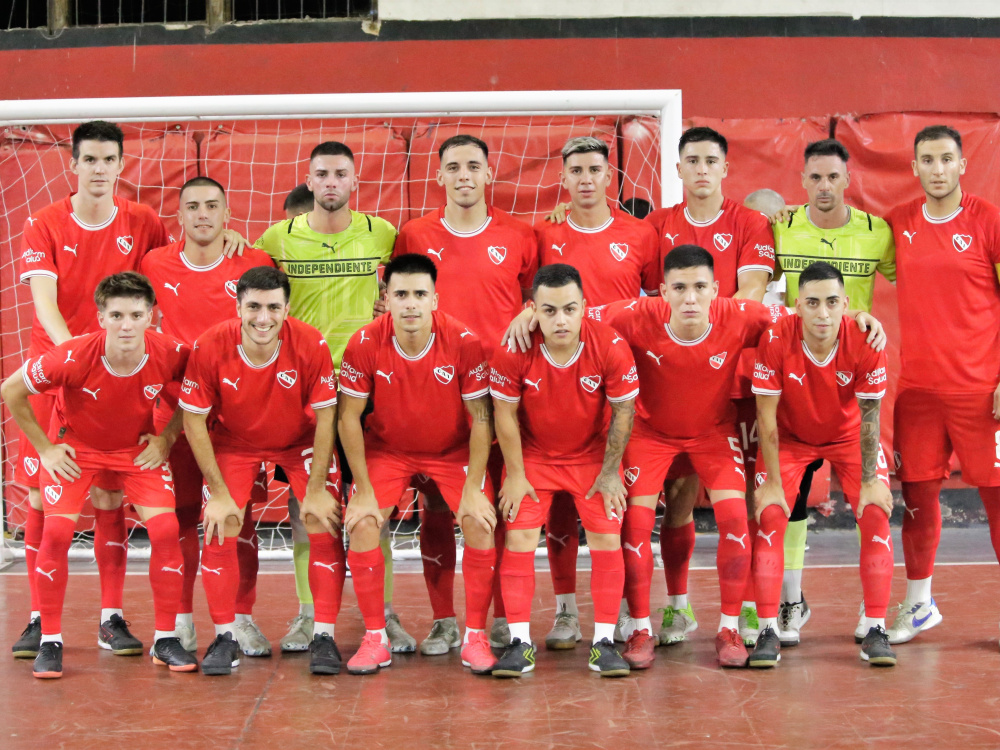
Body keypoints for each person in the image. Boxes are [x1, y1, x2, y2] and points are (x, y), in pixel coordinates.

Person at [588, 245, 884, 670]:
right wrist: (528, 312)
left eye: (700, 287)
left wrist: (858, 318)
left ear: (715, 290)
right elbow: (576, 312)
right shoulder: (635, 313)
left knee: (733, 517)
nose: (690, 298)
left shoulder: (743, 313)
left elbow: (811, 316)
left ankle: (728, 627)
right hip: (651, 435)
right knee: (635, 524)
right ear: (661, 291)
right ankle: (638, 628)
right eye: (679, 288)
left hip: (713, 432)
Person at [12, 120, 171, 660]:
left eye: (109, 160)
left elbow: (166, 276)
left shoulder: (144, 221)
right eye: (90, 160)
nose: (100, 169)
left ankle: (110, 616)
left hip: (118, 373)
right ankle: (38, 618)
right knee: (41, 492)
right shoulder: (45, 223)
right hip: (58, 366)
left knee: (108, 493)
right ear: (73, 165)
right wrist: (75, 359)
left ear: (121, 165)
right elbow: (45, 305)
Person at [253, 143, 411, 653]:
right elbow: (247, 281)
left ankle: (382, 616)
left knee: (374, 507)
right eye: (321, 174)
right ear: (309, 178)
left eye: (340, 173)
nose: (330, 183)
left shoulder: (382, 233)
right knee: (307, 508)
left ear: (353, 180)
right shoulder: (278, 237)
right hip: (304, 392)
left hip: (369, 390)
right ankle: (307, 616)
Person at [1, 272, 196, 678]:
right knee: (55, 534)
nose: (127, 324)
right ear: (101, 317)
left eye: (136, 314)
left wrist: (166, 437)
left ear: (150, 316)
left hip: (134, 451)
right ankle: (51, 640)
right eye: (117, 315)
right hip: (77, 451)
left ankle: (165, 639)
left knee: (164, 531)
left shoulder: (171, 352)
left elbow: (195, 392)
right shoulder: (71, 355)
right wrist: (46, 448)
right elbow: (11, 391)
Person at [507, 135, 658, 649]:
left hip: (618, 388)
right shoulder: (544, 232)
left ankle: (634, 621)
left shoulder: (641, 234)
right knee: (556, 518)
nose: (587, 178)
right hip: (551, 383)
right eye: (577, 170)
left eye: (596, 169)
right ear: (564, 178)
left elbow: (658, 302)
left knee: (620, 512)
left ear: (610, 176)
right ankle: (567, 613)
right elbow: (533, 295)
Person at [393, 134, 537, 654]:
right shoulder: (414, 233)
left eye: (473, 166)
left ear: (489, 173)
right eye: (452, 167)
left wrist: (530, 309)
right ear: (438, 176)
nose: (463, 176)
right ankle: (443, 619)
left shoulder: (521, 234)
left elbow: (538, 300)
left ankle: (497, 617)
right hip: (434, 391)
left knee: (496, 506)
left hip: (503, 394)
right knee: (435, 509)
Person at [642, 126, 777, 649]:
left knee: (738, 497)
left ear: (725, 169)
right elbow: (639, 293)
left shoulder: (749, 223)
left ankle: (741, 608)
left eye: (710, 161)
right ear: (677, 169)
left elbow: (749, 296)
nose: (701, 169)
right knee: (676, 495)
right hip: (672, 379)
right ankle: (678, 607)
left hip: (735, 380)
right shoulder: (656, 226)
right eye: (691, 160)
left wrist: (701, 336)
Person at [179, 266, 343, 676]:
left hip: (300, 440)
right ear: (237, 307)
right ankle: (225, 634)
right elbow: (193, 420)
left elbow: (327, 417)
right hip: (235, 441)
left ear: (287, 309)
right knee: (223, 523)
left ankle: (323, 634)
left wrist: (319, 487)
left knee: (322, 520)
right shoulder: (210, 344)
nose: (262, 318)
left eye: (272, 307)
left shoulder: (310, 343)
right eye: (253, 306)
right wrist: (217, 493)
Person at [339, 254, 498, 675]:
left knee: (479, 520)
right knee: (364, 520)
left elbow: (482, 418)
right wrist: (363, 489)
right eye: (401, 294)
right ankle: (375, 638)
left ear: (435, 299)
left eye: (419, 295)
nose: (410, 304)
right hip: (388, 449)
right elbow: (347, 417)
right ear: (386, 298)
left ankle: (475, 636)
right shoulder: (364, 342)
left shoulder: (464, 342)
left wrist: (473, 487)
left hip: (452, 450)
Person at [140, 177, 276, 655]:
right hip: (173, 412)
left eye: (211, 206)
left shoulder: (254, 262)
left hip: (236, 416)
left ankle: (241, 619)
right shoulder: (154, 263)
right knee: (176, 518)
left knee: (239, 519)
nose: (202, 214)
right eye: (192, 206)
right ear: (179, 216)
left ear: (227, 213)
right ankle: (180, 622)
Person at [769, 139, 896, 646]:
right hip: (797, 383)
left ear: (848, 180)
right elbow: (755, 279)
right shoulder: (782, 226)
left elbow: (925, 275)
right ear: (802, 180)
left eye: (833, 178)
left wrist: (868, 319)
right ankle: (791, 600)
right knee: (792, 502)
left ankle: (877, 609)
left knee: (870, 497)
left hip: (853, 385)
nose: (824, 187)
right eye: (815, 178)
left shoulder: (876, 232)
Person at [489, 263, 637, 677]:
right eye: (549, 311)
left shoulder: (609, 344)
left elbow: (624, 411)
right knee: (518, 535)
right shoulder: (514, 347)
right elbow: (503, 413)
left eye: (570, 309)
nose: (561, 320)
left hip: (592, 457)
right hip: (534, 457)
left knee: (607, 538)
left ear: (585, 307)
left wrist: (610, 472)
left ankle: (604, 642)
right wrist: (516, 475)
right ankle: (520, 642)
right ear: (533, 309)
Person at [884, 125, 1000, 645]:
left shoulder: (988, 221)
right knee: (917, 500)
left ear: (961, 165)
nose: (936, 169)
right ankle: (919, 604)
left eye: (945, 159)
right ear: (914, 167)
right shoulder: (899, 223)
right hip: (919, 393)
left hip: (982, 391)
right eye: (926, 160)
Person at [749, 261, 896, 668]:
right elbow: (766, 417)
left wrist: (870, 480)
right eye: (812, 303)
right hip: (791, 436)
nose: (823, 313)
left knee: (874, 512)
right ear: (797, 305)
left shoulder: (866, 341)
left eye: (832, 302)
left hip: (849, 435)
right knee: (772, 514)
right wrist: (774, 483)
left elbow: (871, 416)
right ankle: (767, 630)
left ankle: (877, 628)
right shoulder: (777, 337)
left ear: (846, 303)